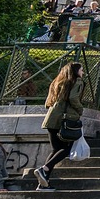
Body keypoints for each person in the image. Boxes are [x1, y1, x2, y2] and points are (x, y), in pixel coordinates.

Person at [34, 62, 85, 190]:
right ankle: (44, 169)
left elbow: (48, 102)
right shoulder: (76, 82)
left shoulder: (57, 81)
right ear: (75, 72)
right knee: (66, 148)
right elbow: (73, 98)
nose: (83, 73)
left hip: (51, 118)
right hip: (64, 119)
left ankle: (43, 182)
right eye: (81, 70)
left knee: (55, 149)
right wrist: (80, 109)